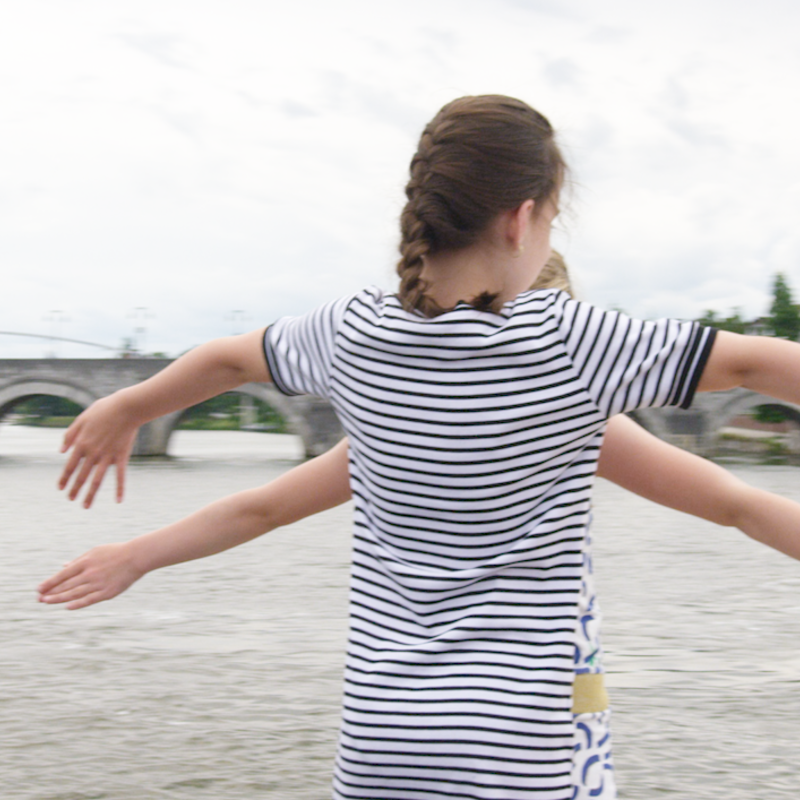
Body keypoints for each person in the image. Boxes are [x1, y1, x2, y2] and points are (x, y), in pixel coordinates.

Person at [45, 95, 800, 800]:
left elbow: (253, 470)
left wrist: (130, 425)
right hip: (517, 742)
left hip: (382, 737)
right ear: (522, 220)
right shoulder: (571, 351)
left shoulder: (356, 341)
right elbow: (747, 417)